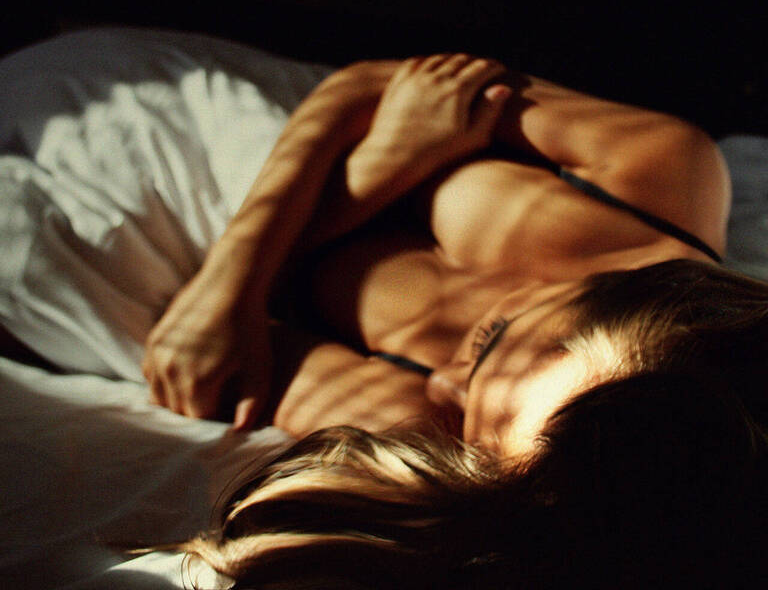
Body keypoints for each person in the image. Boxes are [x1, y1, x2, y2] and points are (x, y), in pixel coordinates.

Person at [137, 54, 768, 587]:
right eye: (492, 342)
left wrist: (383, 168)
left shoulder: (449, 434)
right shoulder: (663, 172)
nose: (445, 386)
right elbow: (369, 84)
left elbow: (209, 348)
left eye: (485, 448)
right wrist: (234, 284)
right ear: (617, 292)